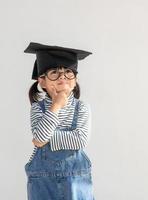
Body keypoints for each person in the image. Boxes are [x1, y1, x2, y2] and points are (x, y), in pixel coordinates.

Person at [24, 42, 95, 200]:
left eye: (68, 72)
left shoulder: (82, 108)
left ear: (75, 80)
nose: (62, 76)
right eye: (54, 72)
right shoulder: (37, 109)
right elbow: (39, 139)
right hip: (43, 185)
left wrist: (45, 138)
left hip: (76, 185)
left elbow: (80, 139)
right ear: (42, 81)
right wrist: (55, 106)